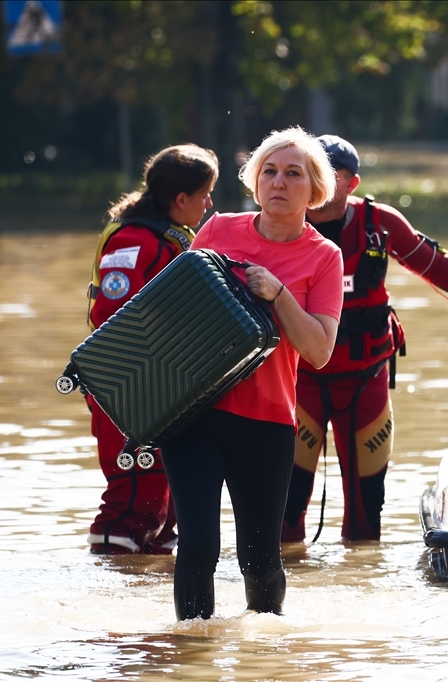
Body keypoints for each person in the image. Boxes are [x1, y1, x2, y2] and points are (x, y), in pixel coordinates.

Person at [282, 135, 448, 542]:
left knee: (366, 516)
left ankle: (360, 586)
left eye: (330, 174)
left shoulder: (381, 224)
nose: (317, 182)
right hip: (297, 380)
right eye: (309, 173)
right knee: (285, 510)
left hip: (365, 379)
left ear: (351, 184)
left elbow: (436, 266)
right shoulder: (279, 223)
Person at [160, 127, 343, 619]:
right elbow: (175, 311)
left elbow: (320, 352)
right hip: (195, 410)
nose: (278, 182)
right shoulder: (218, 231)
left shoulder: (324, 257)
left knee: (259, 562)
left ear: (315, 189)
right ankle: (191, 658)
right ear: (254, 181)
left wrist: (278, 293)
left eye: (293, 173)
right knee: (197, 546)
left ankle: (267, 654)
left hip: (266, 423)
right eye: (269, 171)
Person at [87, 144, 220, 555]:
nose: (210, 203)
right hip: (127, 384)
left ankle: (150, 586)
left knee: (166, 504)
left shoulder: (172, 238)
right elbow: (113, 317)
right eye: (204, 194)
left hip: (165, 384)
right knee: (132, 497)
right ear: (181, 200)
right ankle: (110, 588)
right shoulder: (132, 242)